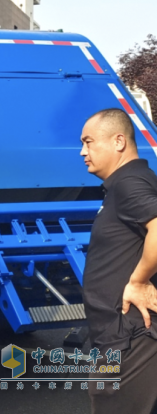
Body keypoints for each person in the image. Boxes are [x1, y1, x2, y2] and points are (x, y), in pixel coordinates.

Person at [80, 108, 157, 414]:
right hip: (126, 335)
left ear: (119, 141)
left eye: (89, 142)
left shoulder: (129, 183)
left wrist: (138, 281)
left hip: (129, 336)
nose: (82, 151)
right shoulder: (137, 179)